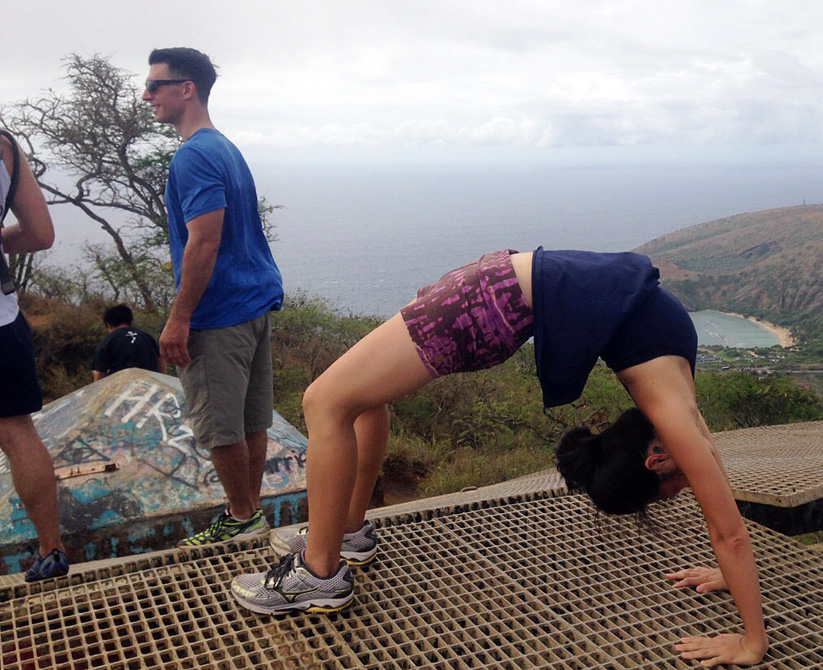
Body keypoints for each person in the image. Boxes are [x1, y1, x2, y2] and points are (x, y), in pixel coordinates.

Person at [230, 249, 768, 667]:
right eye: (675, 490)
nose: (690, 484)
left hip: (495, 280)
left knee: (351, 399)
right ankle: (320, 571)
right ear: (655, 462)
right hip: (490, 301)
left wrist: (729, 574)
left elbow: (720, 508)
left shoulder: (673, 405)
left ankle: (343, 535)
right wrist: (751, 641)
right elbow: (730, 533)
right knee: (327, 402)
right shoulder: (675, 417)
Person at [144, 48, 283, 547]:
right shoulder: (223, 147)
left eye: (156, 86)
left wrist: (179, 318)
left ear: (187, 89)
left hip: (218, 314)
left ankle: (242, 517)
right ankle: (250, 514)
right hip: (252, 303)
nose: (147, 95)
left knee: (221, 426)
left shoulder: (192, 155)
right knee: (251, 419)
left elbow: (205, 240)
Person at [0, 128, 67, 581]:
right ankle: (52, 550)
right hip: (1, 322)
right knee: (18, 433)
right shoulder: (4, 145)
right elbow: (41, 234)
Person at [92, 304, 163, 381]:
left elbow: (100, 373)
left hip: (122, 387)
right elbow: (160, 359)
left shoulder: (107, 341)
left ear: (109, 325)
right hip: (150, 385)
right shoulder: (147, 336)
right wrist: (162, 379)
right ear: (130, 321)